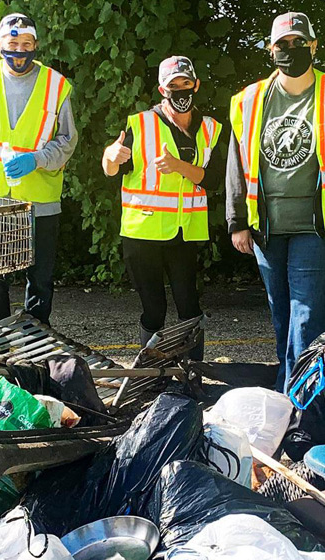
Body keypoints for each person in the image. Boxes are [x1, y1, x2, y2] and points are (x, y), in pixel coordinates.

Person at [227, 12, 325, 391]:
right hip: (267, 227)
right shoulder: (249, 100)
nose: (291, 50)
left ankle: (301, 404)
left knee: (308, 318)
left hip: (317, 227)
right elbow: (238, 162)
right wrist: (237, 221)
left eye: (300, 42)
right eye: (283, 45)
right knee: (282, 318)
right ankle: (297, 395)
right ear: (271, 51)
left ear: (314, 45)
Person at [0, 12, 78, 326]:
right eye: (13, 43)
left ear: (36, 44)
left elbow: (68, 141)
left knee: (40, 282)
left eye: (27, 43)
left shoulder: (56, 85)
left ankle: (35, 347)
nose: (20, 50)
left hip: (41, 203)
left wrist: (36, 159)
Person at [102, 56, 224, 357]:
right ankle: (149, 374)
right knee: (153, 309)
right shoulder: (140, 124)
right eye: (173, 86)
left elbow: (214, 180)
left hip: (185, 233)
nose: (180, 91)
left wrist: (177, 166)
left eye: (186, 83)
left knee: (189, 306)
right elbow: (111, 170)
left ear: (196, 85)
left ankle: (192, 371)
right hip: (142, 233)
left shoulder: (211, 128)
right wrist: (110, 156)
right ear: (162, 90)